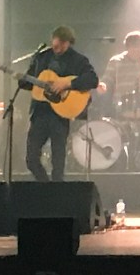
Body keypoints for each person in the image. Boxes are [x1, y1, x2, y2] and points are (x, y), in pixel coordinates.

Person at [21, 25, 98, 182]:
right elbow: (28, 83)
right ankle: (47, 187)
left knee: (58, 163)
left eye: (61, 45)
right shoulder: (42, 57)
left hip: (60, 116)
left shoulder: (78, 60)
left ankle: (57, 190)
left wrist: (68, 84)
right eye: (55, 45)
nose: (57, 48)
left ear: (69, 43)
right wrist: (24, 80)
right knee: (31, 159)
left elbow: (92, 80)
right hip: (40, 113)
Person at [97, 31, 140, 121]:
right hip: (121, 107)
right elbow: (107, 81)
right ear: (130, 46)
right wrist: (101, 86)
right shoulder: (116, 61)